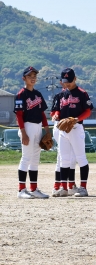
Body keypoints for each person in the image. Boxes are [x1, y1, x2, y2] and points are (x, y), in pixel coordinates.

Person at [53, 68, 94, 197]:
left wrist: (77, 119)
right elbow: (57, 109)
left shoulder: (82, 93)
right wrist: (56, 115)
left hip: (76, 128)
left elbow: (88, 111)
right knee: (64, 159)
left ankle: (83, 188)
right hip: (63, 129)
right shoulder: (62, 94)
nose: (68, 83)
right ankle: (64, 188)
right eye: (65, 81)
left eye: (70, 81)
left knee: (81, 158)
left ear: (75, 79)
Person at [14, 66, 51, 199]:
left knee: (35, 159)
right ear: (24, 78)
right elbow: (19, 115)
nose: (33, 78)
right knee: (26, 158)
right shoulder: (21, 94)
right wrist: (23, 133)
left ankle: (34, 189)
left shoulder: (38, 94)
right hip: (27, 127)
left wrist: (47, 130)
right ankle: (21, 190)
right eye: (30, 76)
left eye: (34, 76)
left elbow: (42, 114)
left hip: (38, 127)